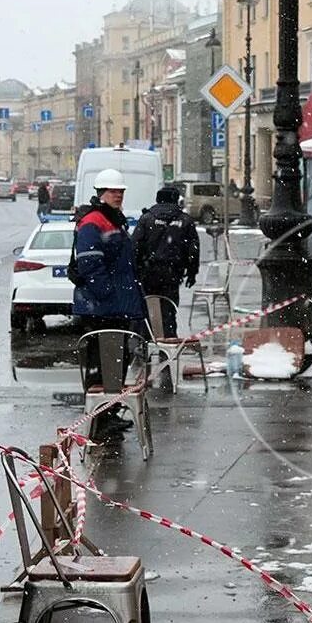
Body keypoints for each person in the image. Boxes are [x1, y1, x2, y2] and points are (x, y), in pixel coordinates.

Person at [72, 169, 147, 439]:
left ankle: (109, 414)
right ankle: (99, 421)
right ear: (100, 193)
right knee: (102, 366)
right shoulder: (94, 222)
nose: (118, 195)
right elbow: (90, 263)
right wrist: (107, 295)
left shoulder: (112, 220)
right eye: (113, 191)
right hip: (101, 309)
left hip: (114, 306)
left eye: (121, 191)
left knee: (116, 364)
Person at [133, 185, 201, 339]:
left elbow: (135, 246)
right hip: (172, 274)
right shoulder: (184, 221)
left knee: (148, 308)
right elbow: (193, 249)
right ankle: (168, 345)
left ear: (158, 199)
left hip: (148, 273)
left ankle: (147, 344)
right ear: (176, 200)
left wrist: (137, 269)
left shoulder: (147, 219)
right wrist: (191, 272)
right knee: (169, 310)